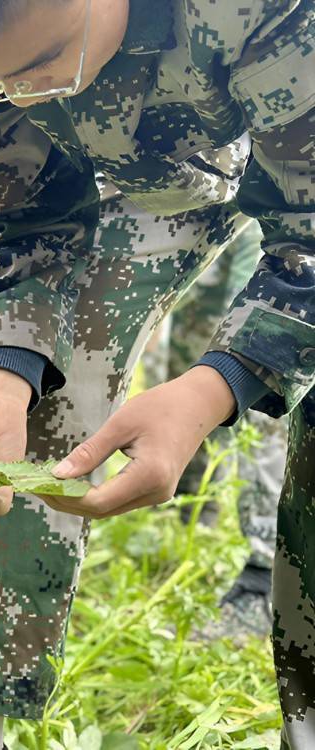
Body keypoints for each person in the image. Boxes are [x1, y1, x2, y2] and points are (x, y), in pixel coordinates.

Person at [0, 1, 313, 747]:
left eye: (45, 64)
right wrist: (1, 378)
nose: (29, 98)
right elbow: (16, 221)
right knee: (39, 387)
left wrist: (214, 386)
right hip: (144, 182)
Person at [140, 221, 287, 640]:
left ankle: (267, 581)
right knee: (201, 316)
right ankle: (187, 507)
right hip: (225, 167)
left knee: (267, 333)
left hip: (293, 177)